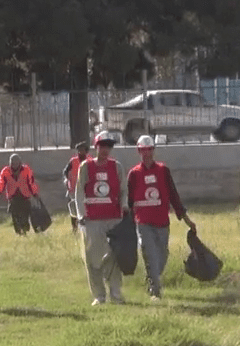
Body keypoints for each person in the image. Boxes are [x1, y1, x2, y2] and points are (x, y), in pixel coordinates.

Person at [127, 135, 196, 302]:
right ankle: (155, 291)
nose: (147, 153)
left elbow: (173, 195)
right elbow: (129, 201)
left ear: (153, 150)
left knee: (162, 256)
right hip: (143, 221)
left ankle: (152, 278)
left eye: (149, 149)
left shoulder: (163, 170)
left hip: (162, 221)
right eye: (143, 150)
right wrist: (128, 222)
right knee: (149, 254)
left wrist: (185, 218)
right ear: (138, 151)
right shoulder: (134, 174)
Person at [74, 131, 129, 306]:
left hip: (113, 219)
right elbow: (79, 191)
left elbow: (123, 191)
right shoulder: (86, 167)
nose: (105, 149)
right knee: (93, 258)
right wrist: (81, 213)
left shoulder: (117, 167)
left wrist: (124, 206)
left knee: (113, 257)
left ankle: (116, 294)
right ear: (96, 146)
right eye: (102, 145)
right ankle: (99, 295)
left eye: (109, 146)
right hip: (92, 219)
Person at [0, 153, 39, 235]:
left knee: (25, 216)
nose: (14, 165)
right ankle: (19, 232)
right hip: (13, 197)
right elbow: (1, 182)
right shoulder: (5, 171)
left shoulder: (26, 170)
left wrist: (35, 194)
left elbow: (31, 182)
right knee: (15, 216)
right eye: (12, 163)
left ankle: (25, 230)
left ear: (20, 162)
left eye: (16, 163)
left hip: (24, 196)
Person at [63, 142, 91, 233]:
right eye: (79, 150)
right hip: (74, 189)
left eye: (82, 150)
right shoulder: (73, 161)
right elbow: (65, 172)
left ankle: (86, 227)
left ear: (86, 151)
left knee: (86, 208)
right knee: (74, 209)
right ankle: (74, 228)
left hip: (87, 189)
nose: (80, 152)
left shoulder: (90, 161)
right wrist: (67, 181)